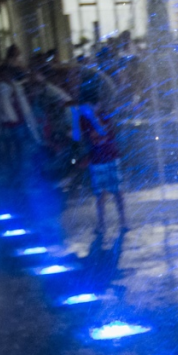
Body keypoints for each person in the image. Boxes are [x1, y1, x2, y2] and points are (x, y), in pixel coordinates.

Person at [71, 75, 127, 235]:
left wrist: (94, 117)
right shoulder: (83, 118)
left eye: (91, 105)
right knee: (100, 194)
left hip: (110, 157)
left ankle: (123, 221)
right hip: (97, 160)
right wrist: (76, 118)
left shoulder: (103, 115)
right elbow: (79, 137)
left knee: (117, 191)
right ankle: (102, 224)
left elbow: (104, 133)